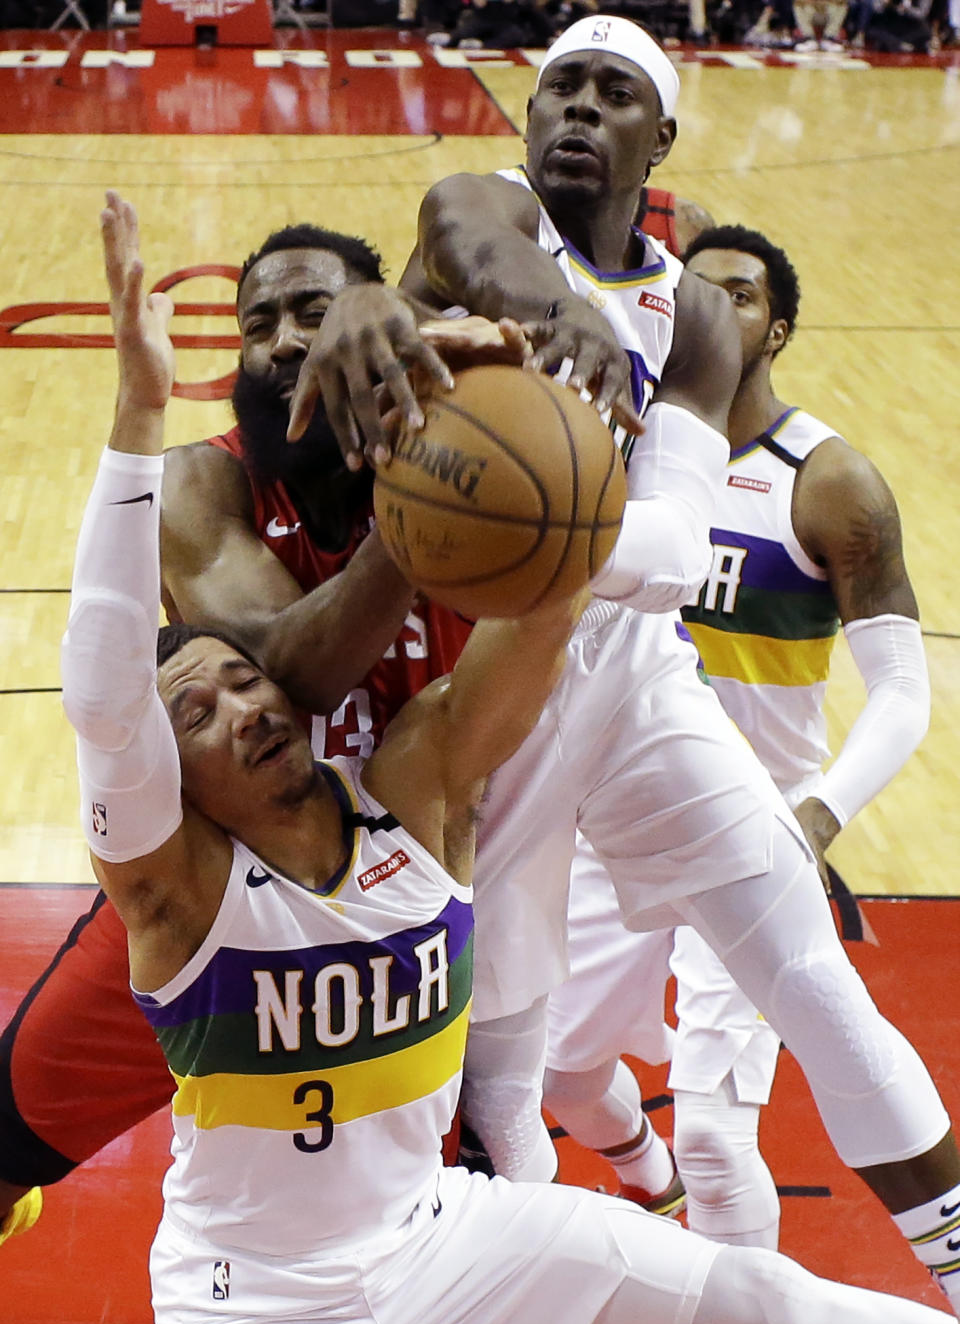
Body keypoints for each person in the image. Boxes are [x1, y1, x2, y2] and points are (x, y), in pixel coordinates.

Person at [60, 183, 960, 1324]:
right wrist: (135, 412)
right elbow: (116, 681)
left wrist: (529, 419)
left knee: (765, 1295)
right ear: (160, 777)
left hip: (443, 1238)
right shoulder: (171, 887)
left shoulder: (420, 794)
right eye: (198, 707)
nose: (245, 705)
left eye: (242, 688)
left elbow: (554, 590)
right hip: (266, 1307)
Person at [287, 12, 960, 1308]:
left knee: (808, 971)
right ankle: (503, 1315)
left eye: (611, 94)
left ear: (663, 135)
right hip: (482, 688)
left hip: (637, 669)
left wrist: (529, 517)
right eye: (558, 90)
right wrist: (559, 333)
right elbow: (491, 255)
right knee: (503, 1071)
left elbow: (672, 547)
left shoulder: (700, 319)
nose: (576, 113)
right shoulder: (471, 207)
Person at [0, 180, 713, 1239]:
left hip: (404, 895)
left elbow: (469, 216)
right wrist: (412, 512)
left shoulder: (479, 476)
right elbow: (291, 666)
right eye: (259, 324)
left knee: (443, 1202)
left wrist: (531, 419)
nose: (286, 341)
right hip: (215, 905)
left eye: (316, 315)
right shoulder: (206, 486)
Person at [543, 224, 938, 1284]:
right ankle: (642, 1166)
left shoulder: (829, 480)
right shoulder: (621, 454)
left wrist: (819, 812)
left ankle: (730, 1316)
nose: (711, 305)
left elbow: (904, 692)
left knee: (724, 1136)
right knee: (565, 1076)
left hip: (751, 827)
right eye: (694, 288)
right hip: (616, 811)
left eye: (741, 293)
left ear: (780, 327)